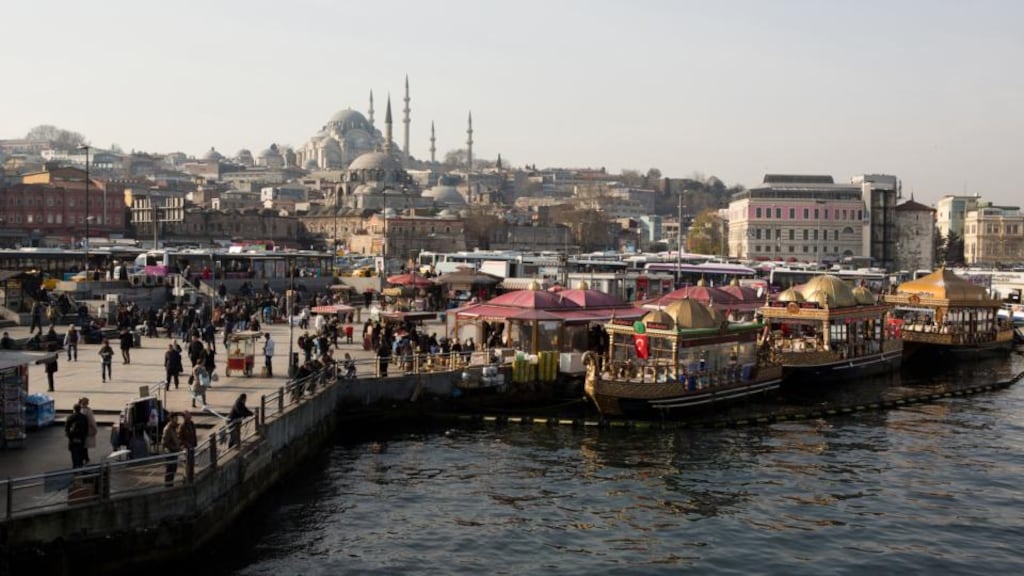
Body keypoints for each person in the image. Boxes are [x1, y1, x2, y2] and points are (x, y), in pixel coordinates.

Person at [65, 403, 89, 468]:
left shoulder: (70, 417)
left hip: (73, 438)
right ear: (80, 409)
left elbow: (66, 429)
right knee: (81, 452)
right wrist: (84, 437)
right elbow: (86, 429)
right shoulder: (84, 417)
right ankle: (80, 465)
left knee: (73, 453)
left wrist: (69, 436)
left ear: (74, 409)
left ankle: (75, 466)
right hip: (81, 438)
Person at [161, 415, 182, 487]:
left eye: (177, 419)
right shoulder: (167, 429)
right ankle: (168, 485)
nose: (177, 420)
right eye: (175, 419)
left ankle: (170, 484)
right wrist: (173, 447)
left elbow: (176, 439)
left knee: (173, 469)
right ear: (171, 419)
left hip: (174, 452)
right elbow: (164, 442)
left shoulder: (174, 428)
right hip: (170, 453)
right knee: (170, 469)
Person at [79, 397, 99, 463]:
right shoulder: (88, 410)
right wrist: (95, 429)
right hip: (87, 429)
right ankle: (86, 458)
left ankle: (84, 457)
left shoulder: (79, 410)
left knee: (83, 444)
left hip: (80, 430)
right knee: (85, 445)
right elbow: (92, 421)